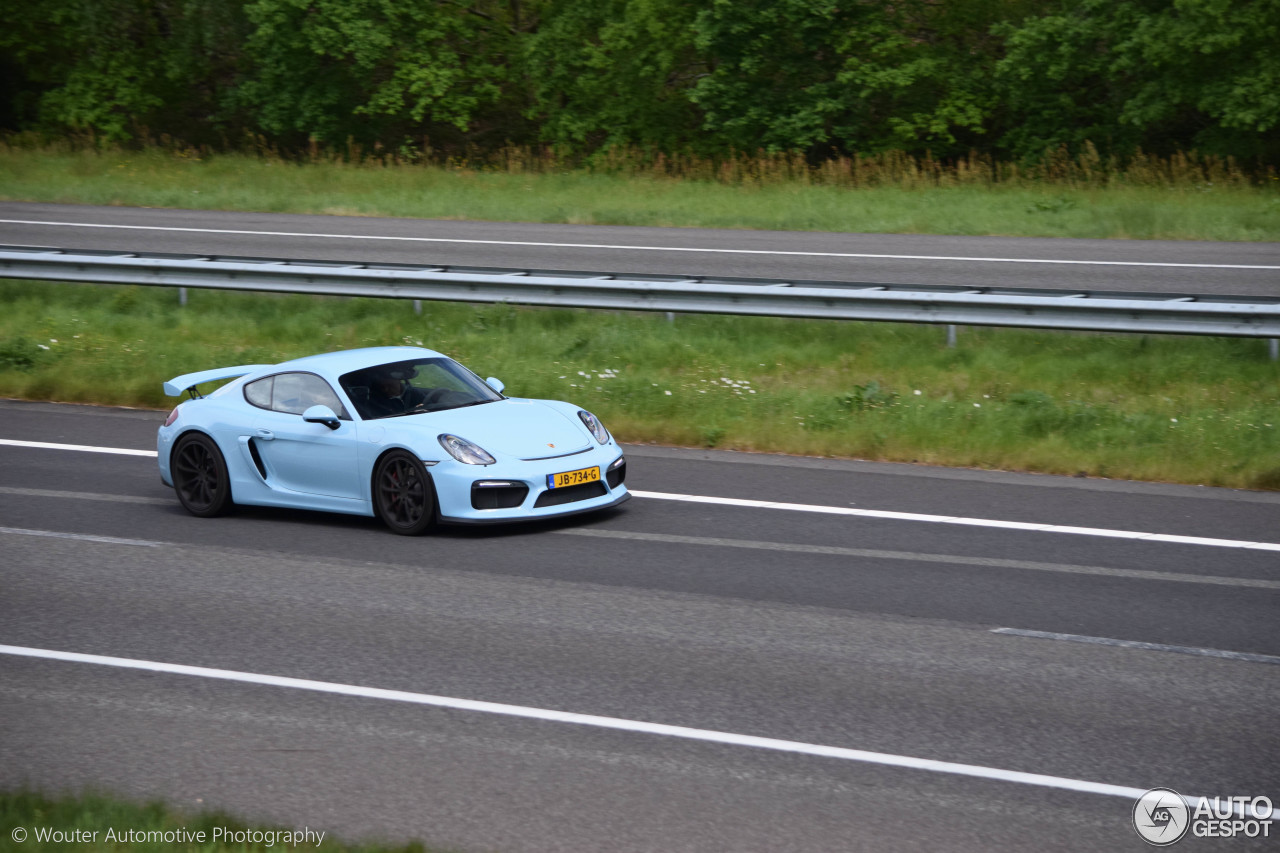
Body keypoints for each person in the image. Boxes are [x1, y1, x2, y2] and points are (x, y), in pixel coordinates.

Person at [363, 367, 430, 418]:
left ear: (398, 381)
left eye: (390, 385)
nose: (386, 390)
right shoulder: (377, 402)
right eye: (382, 387)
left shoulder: (414, 394)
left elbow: (429, 406)